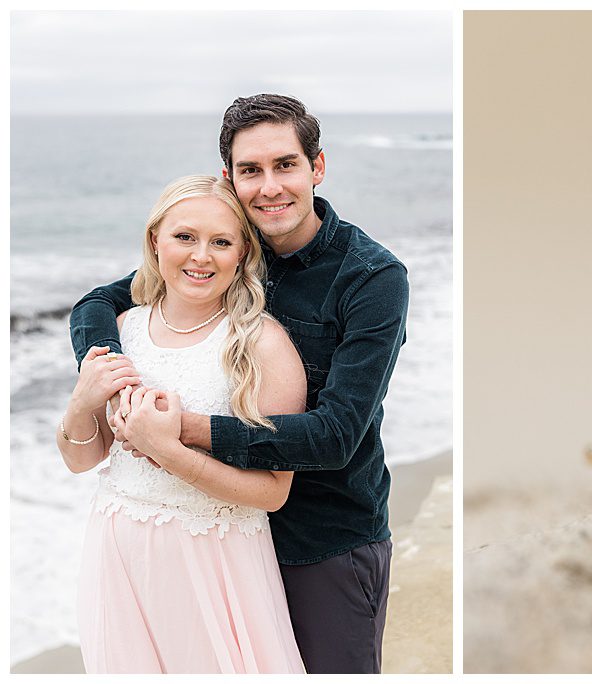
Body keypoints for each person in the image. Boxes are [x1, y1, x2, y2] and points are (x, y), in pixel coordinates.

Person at [69, 94, 410, 674]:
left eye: (286, 165)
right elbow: (99, 300)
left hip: (320, 540)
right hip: (210, 542)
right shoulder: (224, 248)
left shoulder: (371, 277)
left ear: (316, 167)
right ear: (231, 178)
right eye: (251, 171)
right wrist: (107, 375)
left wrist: (179, 431)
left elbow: (334, 437)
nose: (270, 186)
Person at [59, 175, 307, 673]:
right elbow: (83, 459)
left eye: (221, 242)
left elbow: (273, 492)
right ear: (156, 241)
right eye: (185, 237)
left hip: (215, 558)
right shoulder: (126, 330)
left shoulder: (262, 345)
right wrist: (81, 403)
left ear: (242, 254)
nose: (201, 256)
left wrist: (169, 451)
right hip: (119, 547)